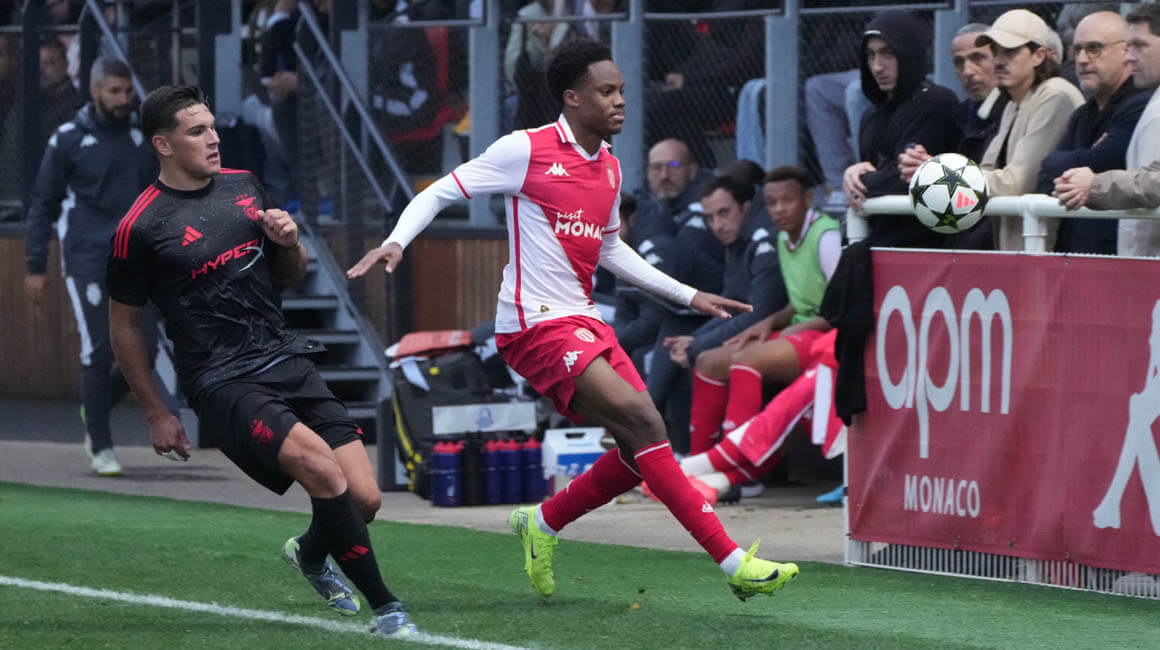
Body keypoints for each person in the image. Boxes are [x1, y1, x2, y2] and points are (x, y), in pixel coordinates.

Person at [347, 39, 799, 601]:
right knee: (646, 422)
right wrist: (397, 240)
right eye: (606, 91)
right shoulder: (525, 149)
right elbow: (440, 191)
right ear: (572, 98)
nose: (620, 101)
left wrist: (689, 295)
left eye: (622, 91)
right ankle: (733, 564)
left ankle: (542, 522)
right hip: (533, 325)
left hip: (582, 322)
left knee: (638, 450)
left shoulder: (608, 167)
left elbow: (609, 248)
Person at [106, 85, 417, 637]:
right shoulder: (140, 227)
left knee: (364, 498)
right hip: (220, 379)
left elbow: (288, 274)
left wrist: (290, 242)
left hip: (283, 355)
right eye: (197, 131)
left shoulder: (244, 186)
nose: (213, 137)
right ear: (163, 144)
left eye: (212, 126)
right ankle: (389, 610)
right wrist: (156, 411)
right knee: (322, 470)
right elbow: (124, 326)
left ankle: (309, 554)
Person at [23, 57, 163, 476]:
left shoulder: (143, 137)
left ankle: (95, 406)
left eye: (128, 91)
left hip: (137, 258)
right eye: (115, 91)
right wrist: (35, 265)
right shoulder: (68, 139)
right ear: (95, 91)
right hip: (87, 258)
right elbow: (43, 204)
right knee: (98, 349)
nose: (124, 99)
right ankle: (100, 445)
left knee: (147, 349)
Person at [684, 167, 840, 455]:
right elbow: (802, 299)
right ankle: (698, 459)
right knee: (707, 361)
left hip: (827, 338)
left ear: (807, 199)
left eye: (787, 200)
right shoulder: (782, 238)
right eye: (771, 203)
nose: (779, 209)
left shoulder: (826, 236)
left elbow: (843, 307)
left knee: (745, 359)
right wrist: (770, 322)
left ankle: (734, 461)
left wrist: (797, 326)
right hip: (798, 330)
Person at [840, 11, 962, 248]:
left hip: (928, 245)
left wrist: (860, 179)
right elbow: (876, 179)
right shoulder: (871, 116)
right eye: (871, 55)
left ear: (908, 53)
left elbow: (903, 180)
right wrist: (853, 174)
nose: (877, 66)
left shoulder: (937, 103)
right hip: (880, 240)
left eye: (888, 53)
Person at [1054, 4, 1160, 257]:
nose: (1129, 57)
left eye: (1140, 45)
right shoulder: (1086, 113)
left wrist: (1095, 184)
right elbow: (1047, 168)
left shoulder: (1142, 103)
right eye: (1128, 46)